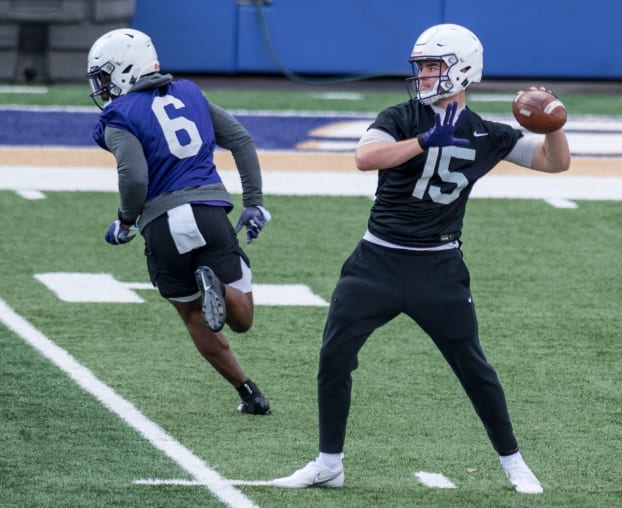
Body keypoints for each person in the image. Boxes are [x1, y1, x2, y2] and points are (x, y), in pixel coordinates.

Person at [272, 23, 570, 493]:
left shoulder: (485, 133)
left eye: (434, 66)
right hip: (376, 261)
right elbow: (366, 158)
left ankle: (514, 462)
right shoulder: (401, 116)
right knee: (333, 357)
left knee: (473, 366)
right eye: (423, 66)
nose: (425, 75)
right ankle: (329, 462)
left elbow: (556, 163)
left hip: (438, 266)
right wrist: (425, 141)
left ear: (462, 71)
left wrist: (555, 126)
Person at [86, 28, 272, 415]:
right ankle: (218, 283)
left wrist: (124, 221)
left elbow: (135, 176)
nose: (102, 88)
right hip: (209, 212)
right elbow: (241, 140)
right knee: (243, 320)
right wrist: (253, 203)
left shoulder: (118, 116)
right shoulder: (190, 92)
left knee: (192, 315)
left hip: (162, 224)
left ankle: (248, 392)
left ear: (125, 69)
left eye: (105, 77)